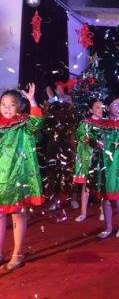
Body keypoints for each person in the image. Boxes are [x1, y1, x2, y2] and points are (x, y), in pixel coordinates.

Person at [0, 84, 43, 271]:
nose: (7, 108)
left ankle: (17, 253)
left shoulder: (24, 124)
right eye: (3, 104)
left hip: (18, 175)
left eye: (11, 105)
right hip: (1, 178)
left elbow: (37, 123)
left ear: (18, 107)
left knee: (17, 214)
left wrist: (32, 100)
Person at [95, 97, 119, 239]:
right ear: (108, 107)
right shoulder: (100, 124)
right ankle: (108, 228)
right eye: (116, 104)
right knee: (105, 198)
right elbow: (90, 138)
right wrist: (95, 142)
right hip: (104, 166)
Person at [73, 99, 104, 222]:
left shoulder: (106, 123)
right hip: (88, 158)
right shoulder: (85, 123)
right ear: (91, 110)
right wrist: (86, 139)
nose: (100, 109)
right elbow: (80, 135)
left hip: (102, 158)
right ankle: (83, 213)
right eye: (97, 107)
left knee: (102, 184)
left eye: (101, 107)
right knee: (86, 185)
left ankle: (103, 210)